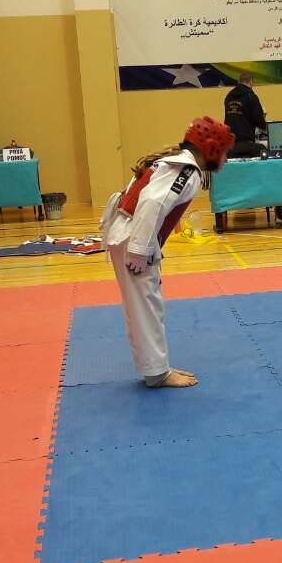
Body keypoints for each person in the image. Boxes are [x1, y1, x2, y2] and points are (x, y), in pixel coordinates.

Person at [98, 117, 234, 389]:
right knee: (146, 308)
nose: (225, 159)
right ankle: (157, 373)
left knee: (144, 306)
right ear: (210, 148)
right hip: (133, 236)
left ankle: (156, 368)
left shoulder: (174, 162)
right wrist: (139, 251)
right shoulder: (188, 172)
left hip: (128, 232)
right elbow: (153, 202)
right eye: (224, 152)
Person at [222, 72, 267, 158]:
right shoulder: (251, 96)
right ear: (251, 82)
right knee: (263, 149)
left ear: (239, 82)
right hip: (247, 144)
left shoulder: (228, 96)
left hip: (230, 146)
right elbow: (260, 122)